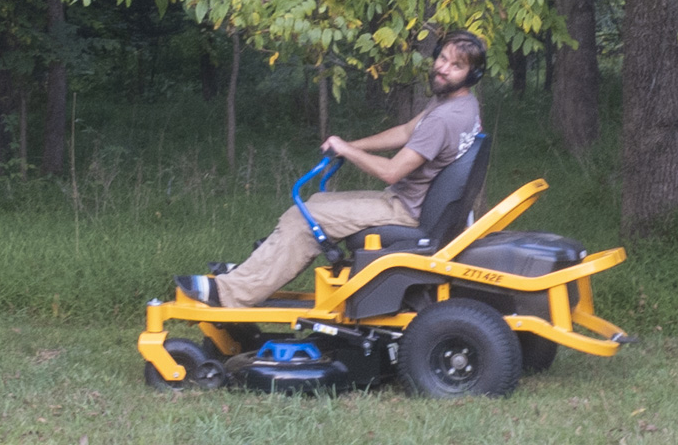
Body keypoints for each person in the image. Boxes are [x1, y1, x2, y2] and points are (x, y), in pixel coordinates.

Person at [176, 31, 486, 309]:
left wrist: (347, 151)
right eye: (442, 58)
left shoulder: (444, 119)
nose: (443, 68)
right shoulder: (458, 105)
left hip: (408, 211)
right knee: (317, 203)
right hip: (415, 204)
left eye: (455, 66)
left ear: (472, 75)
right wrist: (352, 145)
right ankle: (255, 270)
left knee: (303, 218)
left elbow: (392, 172)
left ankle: (231, 294)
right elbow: (406, 131)